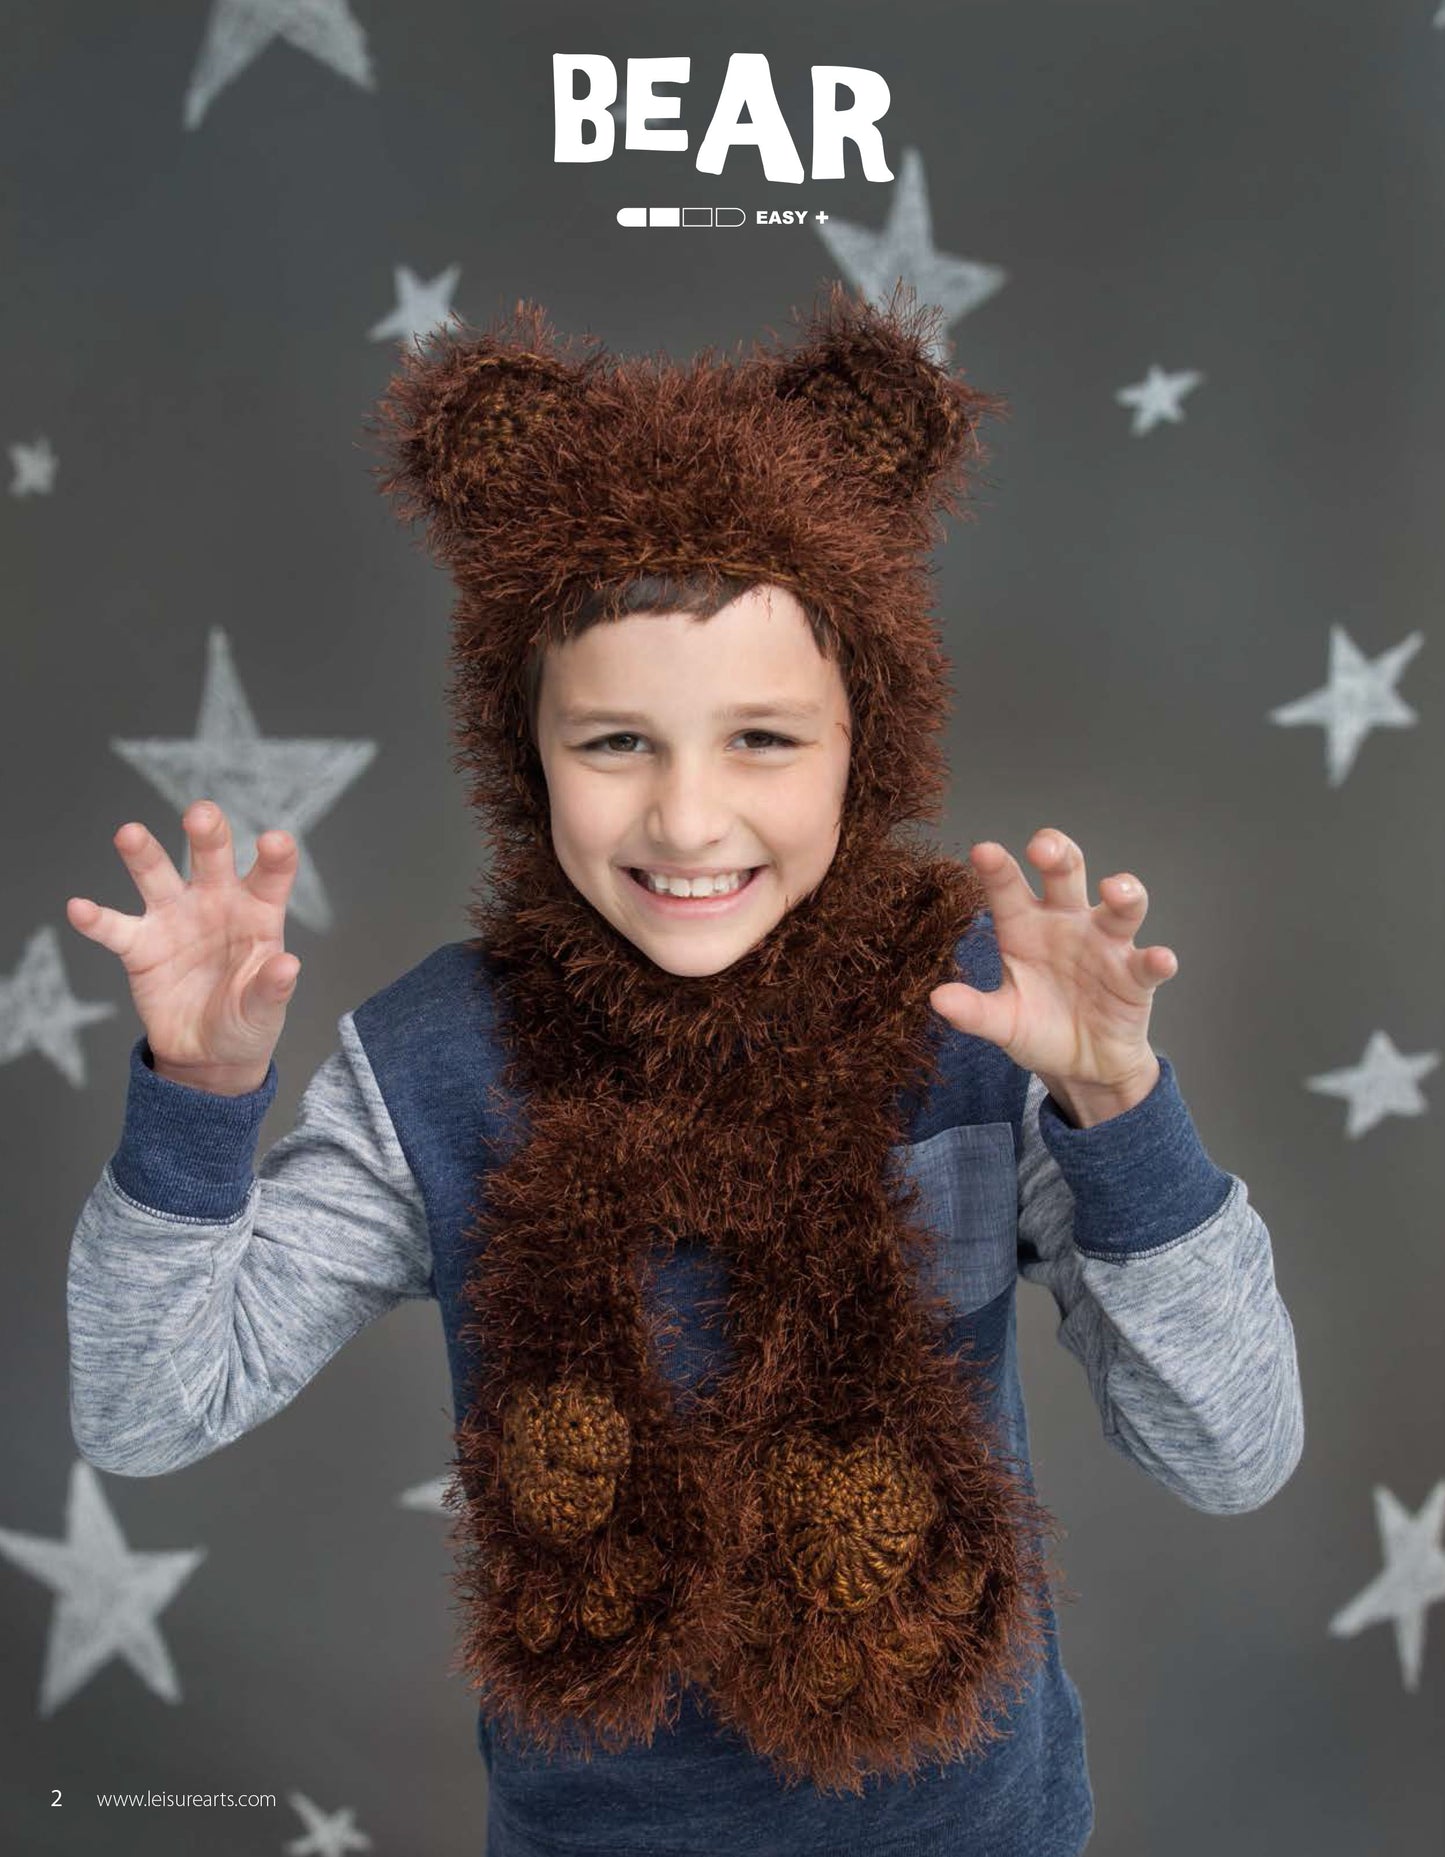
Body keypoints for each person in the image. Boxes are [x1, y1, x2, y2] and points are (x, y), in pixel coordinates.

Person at [65, 284, 1304, 1857]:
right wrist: (193, 1101)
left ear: (867, 746)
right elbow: (146, 1410)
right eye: (615, 744)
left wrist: (1119, 1116)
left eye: (762, 740)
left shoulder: (988, 1022)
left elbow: (1230, 1452)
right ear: (523, 756)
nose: (688, 820)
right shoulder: (435, 1066)